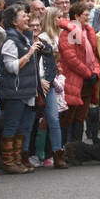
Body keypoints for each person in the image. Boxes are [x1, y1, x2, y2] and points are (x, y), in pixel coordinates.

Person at [0, 6, 41, 175]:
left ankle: (18, 159)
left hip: (27, 91)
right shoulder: (10, 40)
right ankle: (8, 162)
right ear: (14, 21)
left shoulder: (24, 37)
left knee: (25, 127)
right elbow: (11, 67)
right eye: (23, 16)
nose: (27, 19)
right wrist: (29, 53)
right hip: (15, 91)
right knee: (12, 126)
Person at [58, 2, 99, 145]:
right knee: (68, 117)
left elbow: (94, 55)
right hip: (74, 79)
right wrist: (88, 73)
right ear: (76, 16)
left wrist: (96, 72)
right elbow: (71, 59)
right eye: (85, 15)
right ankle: (64, 150)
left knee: (81, 117)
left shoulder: (88, 31)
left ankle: (77, 150)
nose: (88, 17)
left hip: (88, 80)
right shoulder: (70, 33)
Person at [34, 9, 66, 168]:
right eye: (58, 17)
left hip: (51, 82)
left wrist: (50, 79)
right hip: (38, 84)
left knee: (53, 118)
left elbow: (54, 62)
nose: (61, 20)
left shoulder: (55, 38)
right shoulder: (42, 38)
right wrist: (40, 80)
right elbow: (35, 63)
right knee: (33, 121)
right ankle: (30, 154)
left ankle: (57, 153)